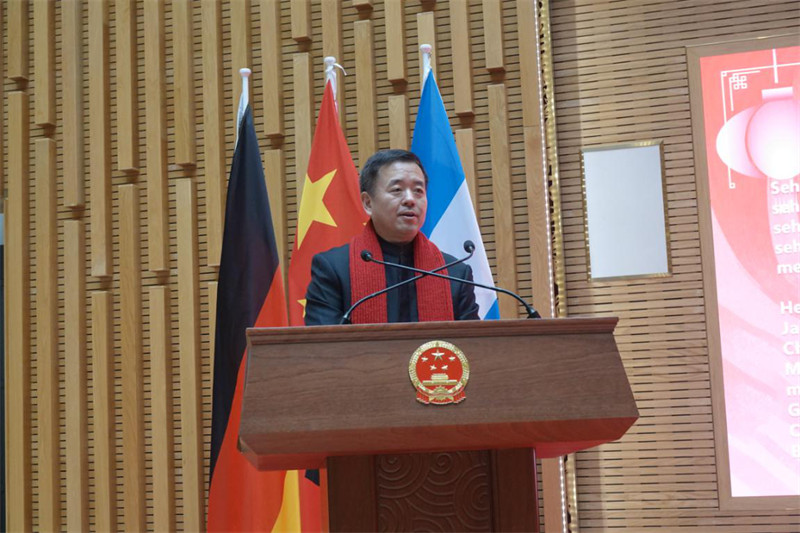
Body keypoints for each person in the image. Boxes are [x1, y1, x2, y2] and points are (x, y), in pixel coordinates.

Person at [304, 149, 480, 325]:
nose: (410, 199)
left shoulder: (454, 273)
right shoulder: (334, 269)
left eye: (418, 191)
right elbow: (324, 340)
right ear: (368, 203)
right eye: (397, 190)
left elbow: (471, 340)